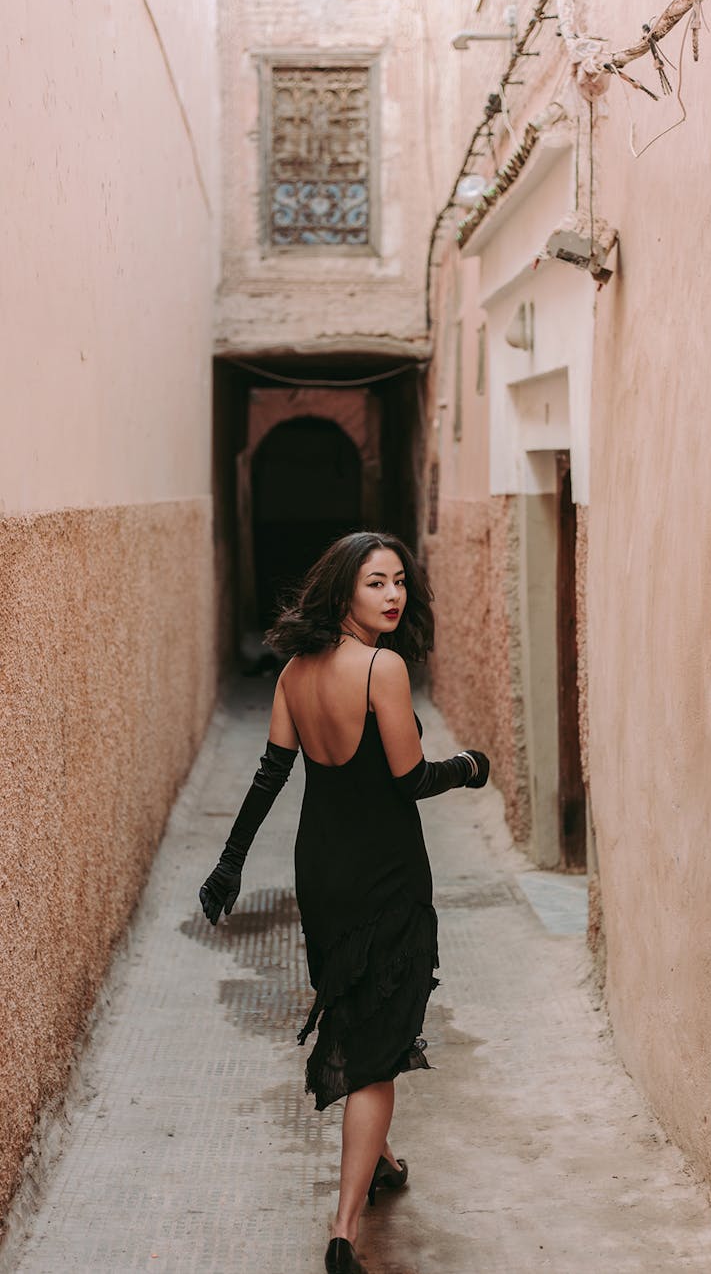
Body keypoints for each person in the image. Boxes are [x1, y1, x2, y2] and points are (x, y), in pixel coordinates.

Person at [199, 531, 489, 1274]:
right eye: (375, 583)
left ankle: (382, 1159)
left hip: (321, 871)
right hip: (386, 874)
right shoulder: (381, 670)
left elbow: (269, 775)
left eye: (398, 581)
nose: (392, 594)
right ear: (343, 592)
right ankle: (343, 1228)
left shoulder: (295, 671)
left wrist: (228, 866)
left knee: (360, 1013)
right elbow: (409, 779)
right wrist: (469, 765)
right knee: (379, 1052)